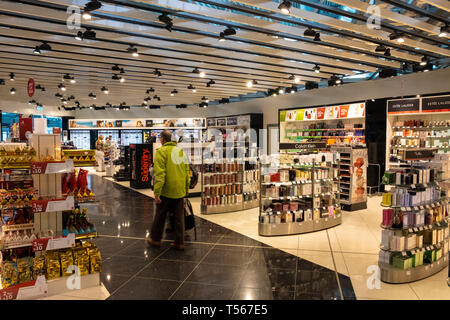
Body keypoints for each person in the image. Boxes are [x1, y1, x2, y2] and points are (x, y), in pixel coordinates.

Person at [147, 130, 190, 250]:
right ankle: (179, 242)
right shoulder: (180, 152)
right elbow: (187, 172)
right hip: (180, 189)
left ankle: (155, 239)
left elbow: (160, 175)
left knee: (160, 215)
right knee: (179, 217)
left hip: (166, 190)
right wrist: (186, 189)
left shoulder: (161, 152)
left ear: (162, 139)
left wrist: (157, 193)